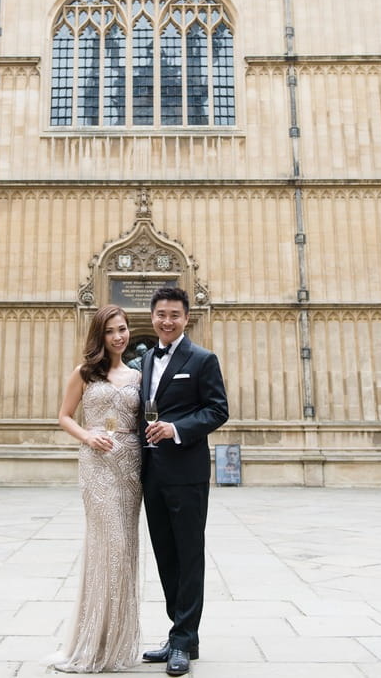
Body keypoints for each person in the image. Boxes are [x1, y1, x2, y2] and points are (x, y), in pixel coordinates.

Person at [140, 287, 229, 677]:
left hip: (187, 473)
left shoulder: (203, 359)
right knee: (166, 556)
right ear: (153, 316)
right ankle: (181, 634)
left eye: (174, 314)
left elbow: (217, 410)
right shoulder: (144, 360)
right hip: (151, 474)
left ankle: (182, 639)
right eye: (161, 314)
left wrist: (176, 428)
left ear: (186, 317)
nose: (167, 320)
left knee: (189, 555)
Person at [53, 305, 142, 672]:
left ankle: (117, 641)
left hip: (131, 465)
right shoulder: (85, 373)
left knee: (126, 547)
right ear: (99, 335)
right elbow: (63, 416)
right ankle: (92, 642)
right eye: (110, 331)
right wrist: (88, 436)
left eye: (122, 329)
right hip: (97, 464)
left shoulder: (139, 376)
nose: (119, 336)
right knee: (109, 545)